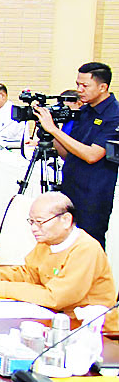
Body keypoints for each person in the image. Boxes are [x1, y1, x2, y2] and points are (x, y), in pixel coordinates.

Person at [0, 192, 117, 332]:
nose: (34, 228)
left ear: (66, 220)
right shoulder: (48, 241)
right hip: (54, 317)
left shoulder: (86, 249)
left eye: (40, 222)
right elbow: (30, 274)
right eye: (31, 222)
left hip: (91, 329)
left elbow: (55, 298)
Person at [37, 62, 119, 247]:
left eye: (85, 85)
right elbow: (68, 154)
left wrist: (54, 130)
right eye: (77, 84)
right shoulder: (83, 111)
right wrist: (50, 131)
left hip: (93, 196)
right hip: (70, 188)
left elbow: (92, 155)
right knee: (65, 243)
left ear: (103, 87)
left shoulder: (114, 115)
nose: (79, 90)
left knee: (89, 246)